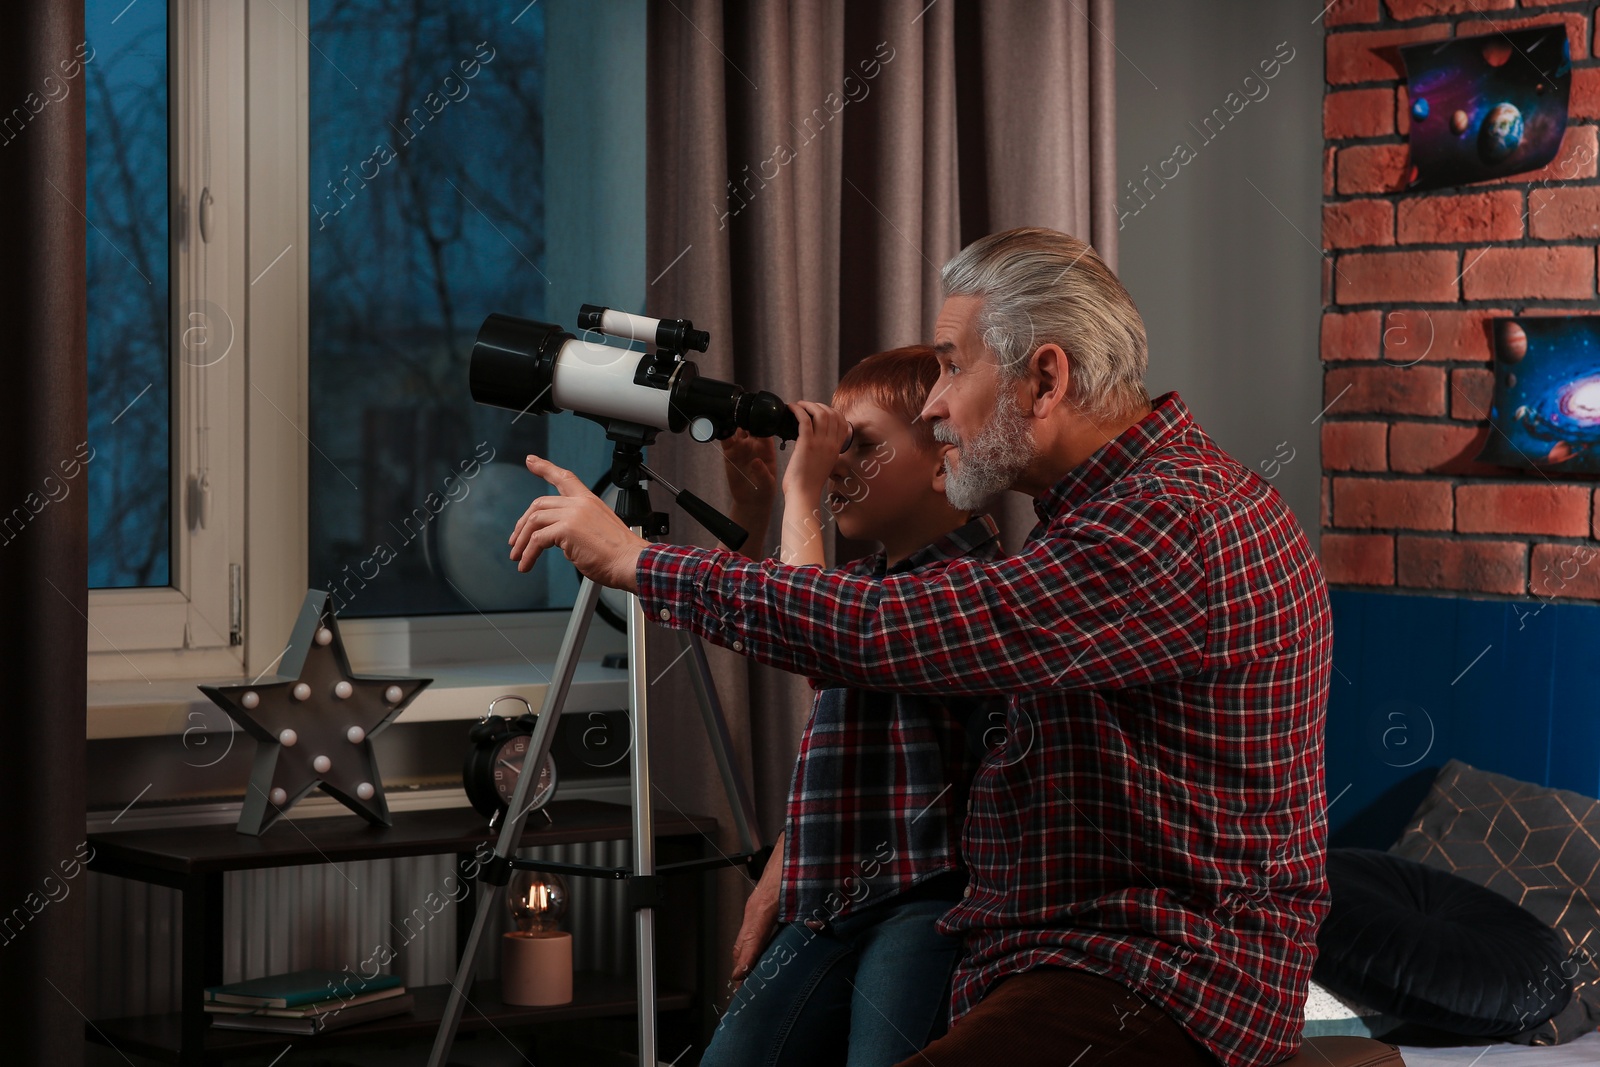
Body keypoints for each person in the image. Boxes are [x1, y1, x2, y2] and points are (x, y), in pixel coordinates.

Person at [506, 227, 1333, 1067]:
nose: (936, 405)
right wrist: (792, 859)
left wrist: (638, 561)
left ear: (1044, 379)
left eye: (952, 365)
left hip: (1160, 969)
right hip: (1061, 945)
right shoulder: (1100, 514)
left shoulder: (1163, 524)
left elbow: (878, 631)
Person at [703, 346, 1001, 1067]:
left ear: (942, 463)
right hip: (831, 889)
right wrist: (751, 505)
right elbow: (767, 611)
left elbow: (811, 629)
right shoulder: (868, 580)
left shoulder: (969, 583)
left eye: (858, 445)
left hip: (927, 895)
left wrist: (800, 498)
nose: (835, 462)